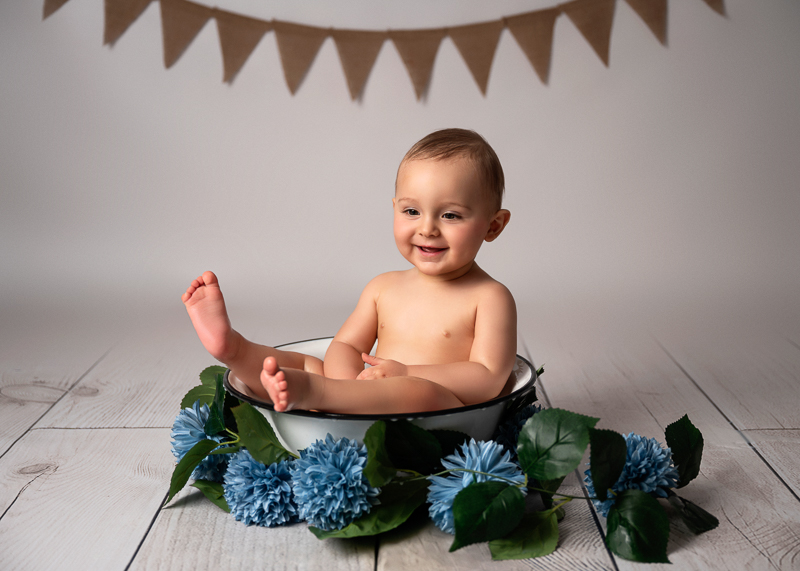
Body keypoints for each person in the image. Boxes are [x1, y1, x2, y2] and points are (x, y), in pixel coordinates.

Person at [182, 128, 516, 415]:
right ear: (395, 208)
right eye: (412, 211)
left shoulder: (489, 297)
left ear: (493, 225)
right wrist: (346, 382)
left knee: (416, 391)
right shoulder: (382, 287)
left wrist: (404, 372)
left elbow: (487, 379)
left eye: (451, 216)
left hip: (433, 412)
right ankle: (234, 349)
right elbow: (344, 346)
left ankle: (316, 395)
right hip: (359, 397)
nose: (427, 228)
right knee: (307, 364)